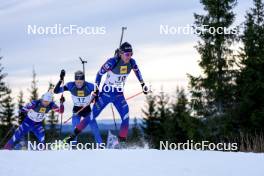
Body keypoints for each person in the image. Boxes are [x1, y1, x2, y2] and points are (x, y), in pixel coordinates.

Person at [66, 42, 148, 145]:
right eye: (127, 54)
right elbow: (99, 74)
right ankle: (73, 135)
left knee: (126, 116)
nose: (129, 57)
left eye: (131, 54)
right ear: (121, 53)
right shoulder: (112, 62)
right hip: (106, 94)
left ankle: (121, 143)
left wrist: (143, 84)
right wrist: (96, 90)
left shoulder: (131, 62)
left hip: (118, 95)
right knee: (91, 116)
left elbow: (137, 71)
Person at [53, 70, 102, 144]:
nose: (79, 83)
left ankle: (100, 145)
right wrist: (60, 79)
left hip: (87, 111)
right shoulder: (70, 85)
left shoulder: (89, 86)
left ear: (83, 80)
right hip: (76, 110)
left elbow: (97, 90)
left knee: (94, 127)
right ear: (75, 80)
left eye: (80, 81)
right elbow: (56, 91)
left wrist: (95, 97)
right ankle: (73, 147)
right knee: (75, 130)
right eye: (77, 81)